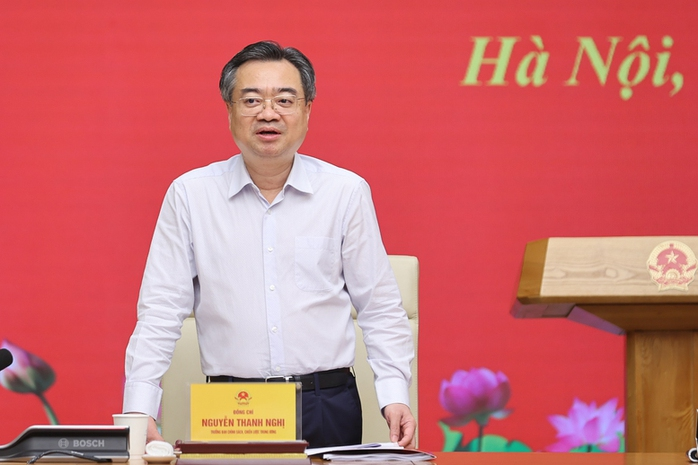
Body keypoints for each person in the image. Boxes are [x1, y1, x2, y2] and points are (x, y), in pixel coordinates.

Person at [122, 40, 415, 448]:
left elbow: (379, 306)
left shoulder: (344, 192)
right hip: (232, 408)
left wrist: (394, 395)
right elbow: (161, 309)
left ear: (307, 110)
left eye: (285, 100)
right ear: (229, 111)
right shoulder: (190, 194)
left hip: (325, 403)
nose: (268, 113)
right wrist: (139, 408)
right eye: (251, 100)